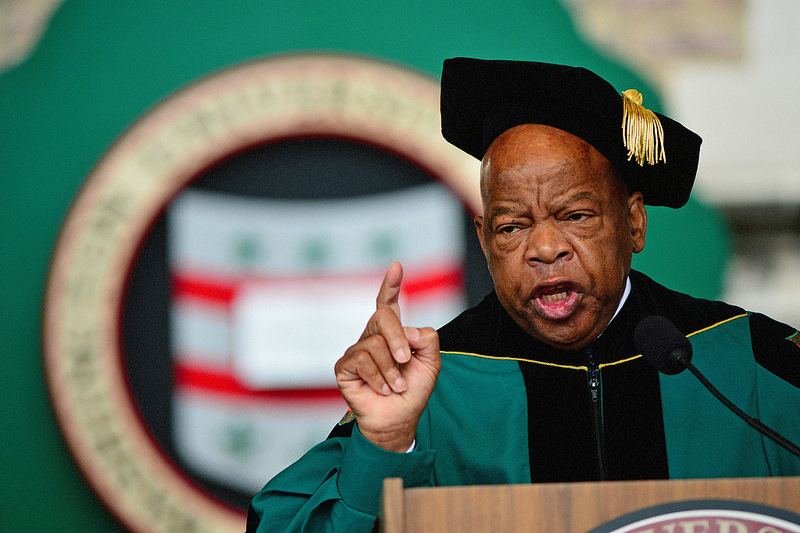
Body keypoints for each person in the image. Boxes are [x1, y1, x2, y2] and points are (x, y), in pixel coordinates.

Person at [246, 58, 800, 532]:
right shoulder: (435, 386)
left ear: (633, 223)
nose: (545, 248)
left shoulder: (742, 358)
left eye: (576, 215)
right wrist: (385, 446)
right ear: (485, 241)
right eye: (512, 226)